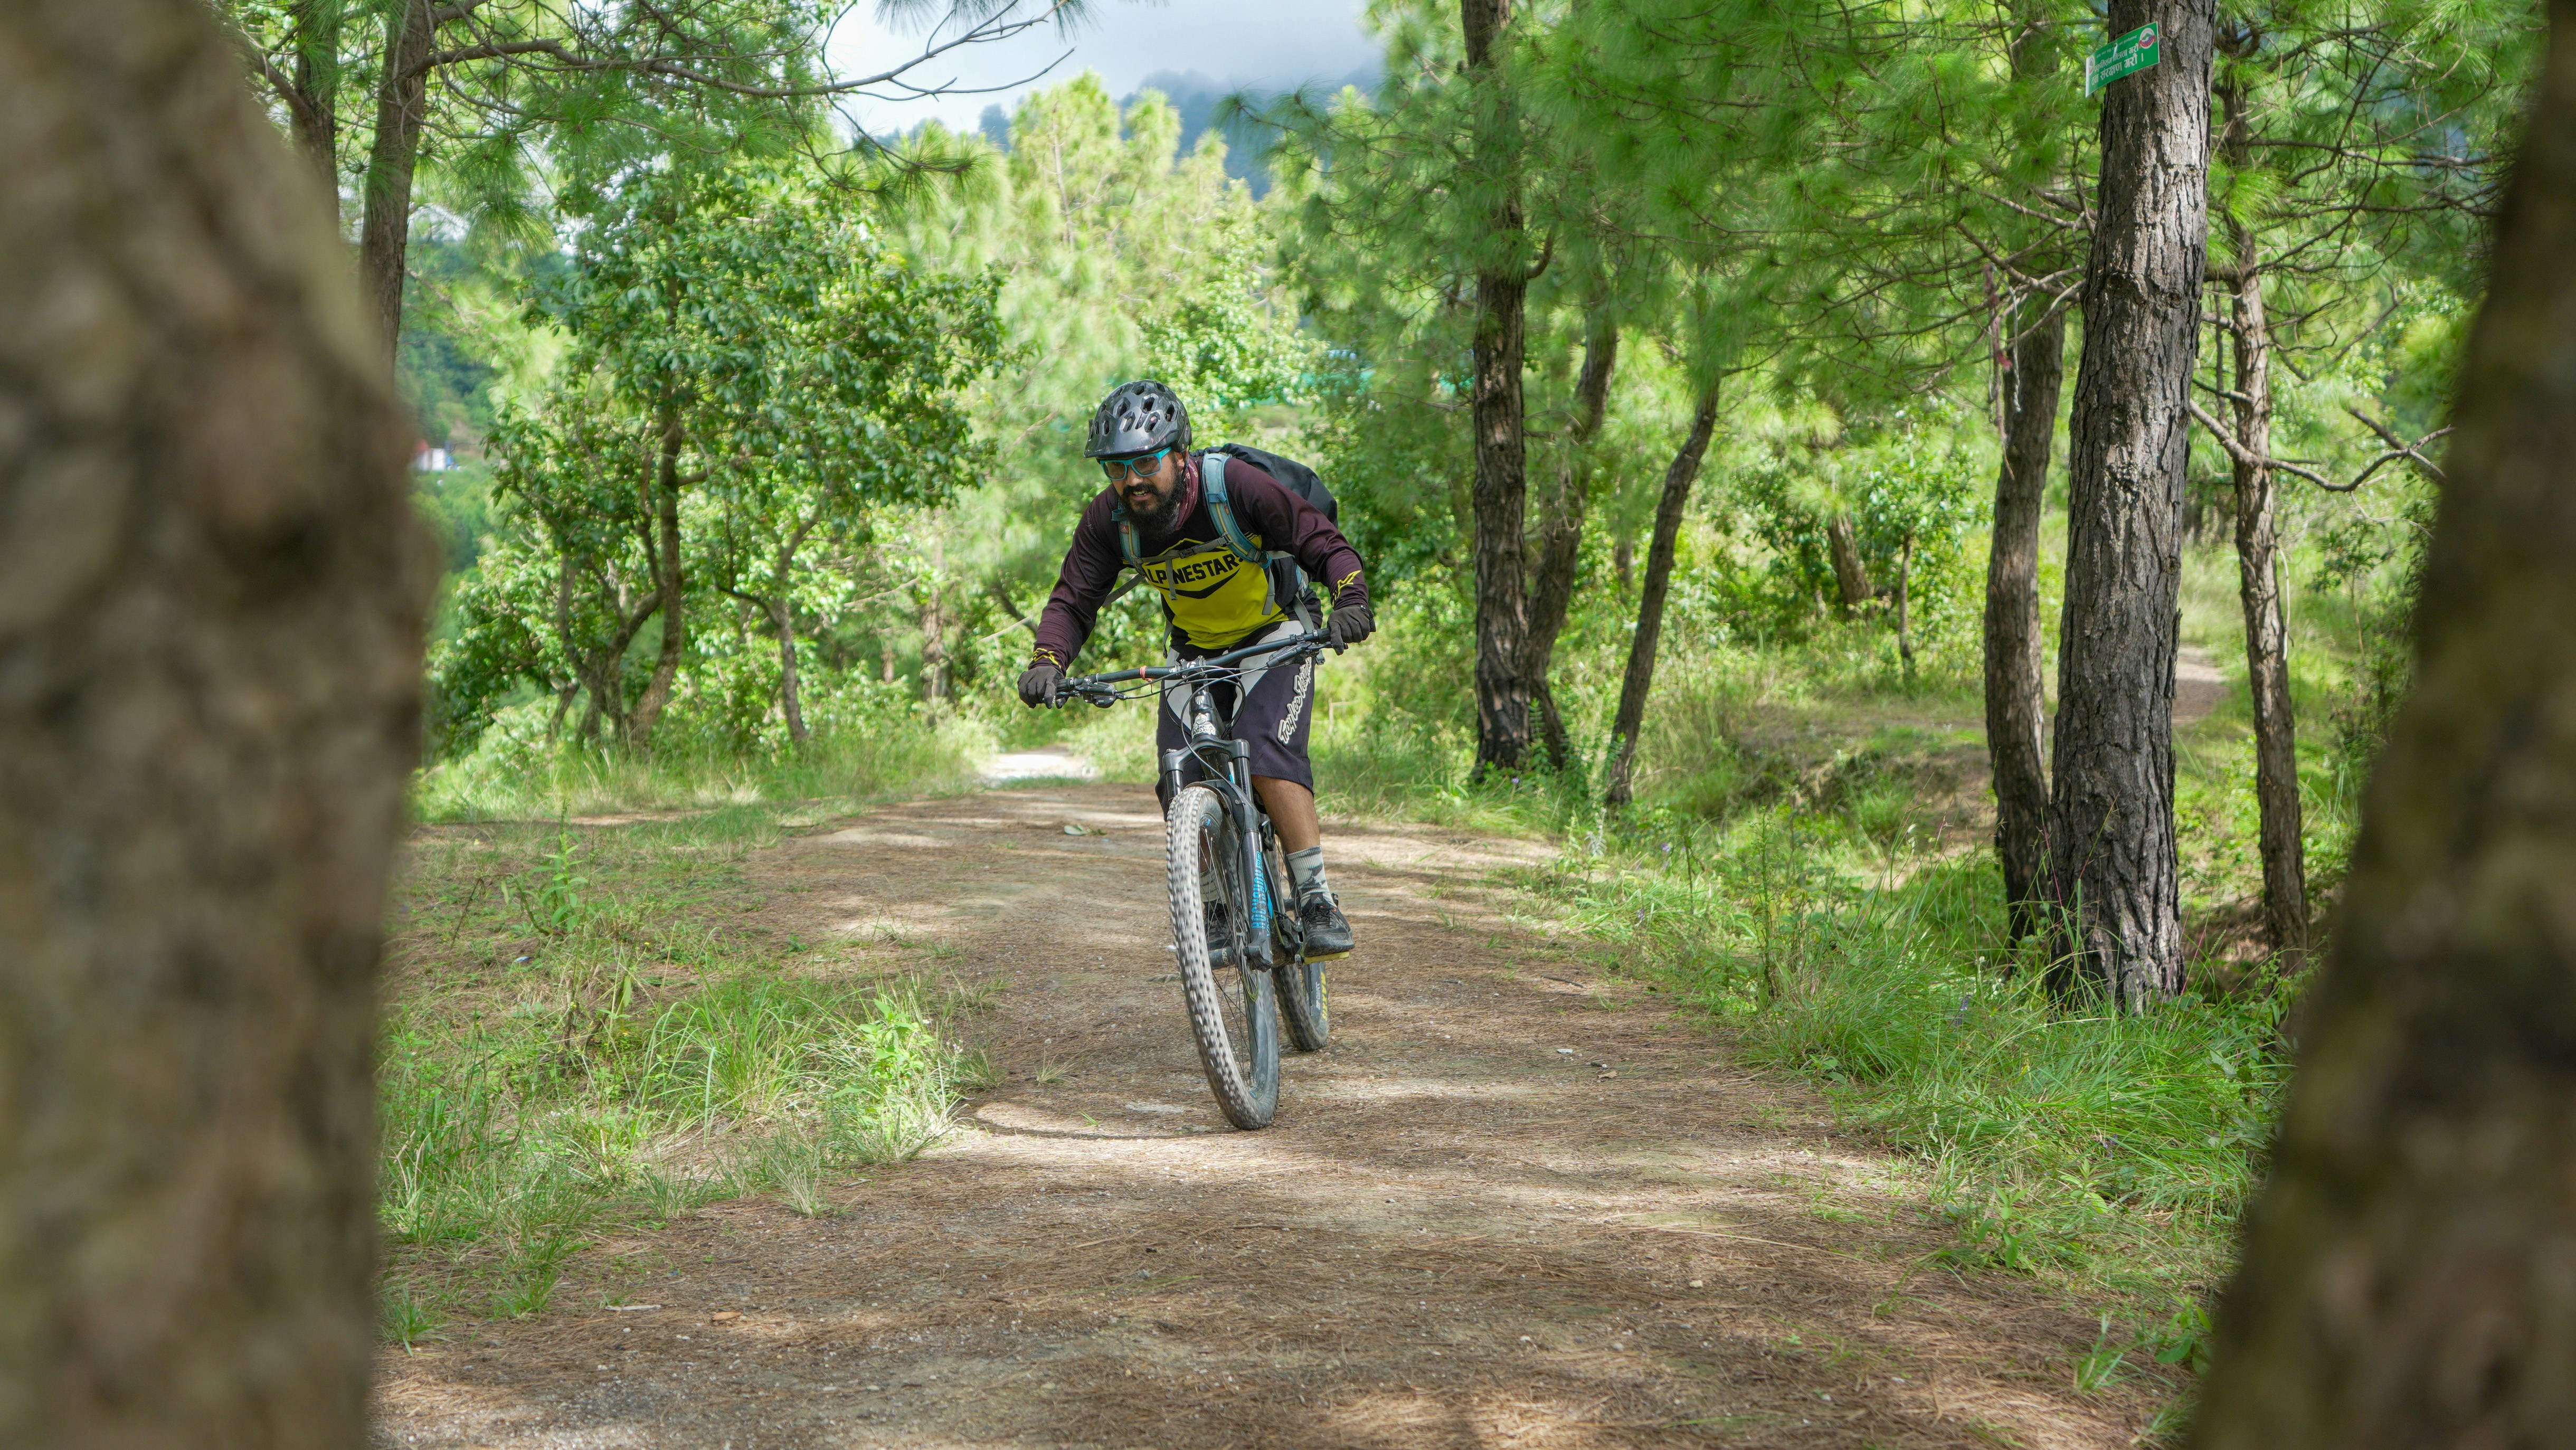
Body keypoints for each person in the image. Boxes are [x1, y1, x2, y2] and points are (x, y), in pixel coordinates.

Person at [1016, 381, 1374, 958]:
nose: (1131, 480)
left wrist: (1350, 601)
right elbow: (1073, 599)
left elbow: (1322, 541)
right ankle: (1211, 903)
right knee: (1179, 772)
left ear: (1179, 454)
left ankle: (1315, 898)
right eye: (1116, 468)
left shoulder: (1232, 486)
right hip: (1195, 652)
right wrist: (1046, 659)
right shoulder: (1110, 519)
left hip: (1275, 631)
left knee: (1264, 748)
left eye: (1145, 462)